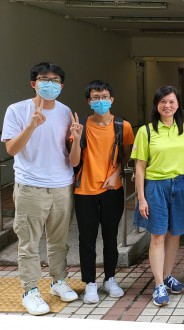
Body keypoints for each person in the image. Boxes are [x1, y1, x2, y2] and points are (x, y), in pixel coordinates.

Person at [1, 62, 79, 315]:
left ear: (62, 85)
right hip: (30, 185)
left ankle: (58, 281)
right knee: (29, 242)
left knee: (58, 241)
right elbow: (11, 149)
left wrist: (77, 140)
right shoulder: (17, 110)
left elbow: (71, 156)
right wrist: (32, 125)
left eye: (55, 80)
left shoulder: (66, 111)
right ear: (33, 83)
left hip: (61, 185)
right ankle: (30, 290)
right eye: (44, 79)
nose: (50, 84)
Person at [132, 86, 184, 307]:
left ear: (178, 104)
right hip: (156, 187)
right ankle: (159, 284)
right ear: (156, 104)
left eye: (171, 101)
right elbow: (140, 167)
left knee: (174, 234)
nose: (167, 106)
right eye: (163, 102)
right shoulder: (146, 131)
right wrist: (141, 198)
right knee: (158, 235)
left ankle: (168, 275)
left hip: (182, 185)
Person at [69, 80, 135, 304]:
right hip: (84, 190)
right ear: (89, 101)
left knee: (110, 236)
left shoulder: (122, 126)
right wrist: (76, 138)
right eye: (95, 97)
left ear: (112, 99)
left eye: (104, 96)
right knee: (87, 238)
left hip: (111, 189)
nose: (100, 101)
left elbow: (126, 156)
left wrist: (118, 172)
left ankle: (110, 278)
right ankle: (89, 283)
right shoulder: (81, 126)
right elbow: (74, 161)